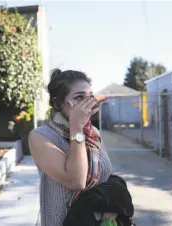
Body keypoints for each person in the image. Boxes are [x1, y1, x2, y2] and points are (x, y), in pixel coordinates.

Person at [28, 69, 118, 226]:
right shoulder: (41, 136)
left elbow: (109, 175)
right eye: (79, 98)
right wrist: (76, 127)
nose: (88, 103)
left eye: (90, 97)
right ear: (58, 104)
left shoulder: (93, 132)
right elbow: (77, 181)